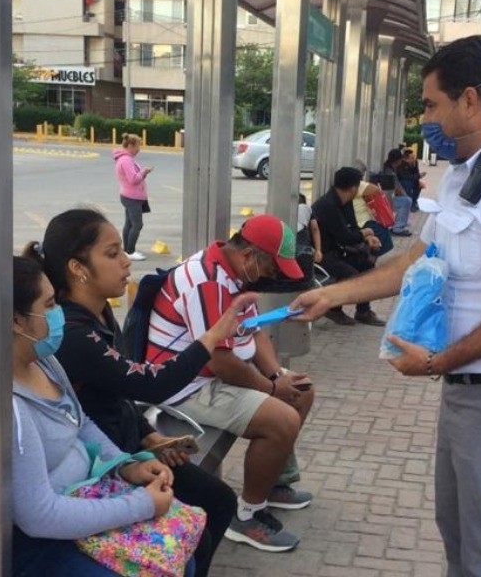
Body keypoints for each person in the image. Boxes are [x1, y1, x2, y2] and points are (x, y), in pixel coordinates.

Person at [292, 35, 481, 577]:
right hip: (470, 390)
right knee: (459, 535)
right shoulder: (467, 173)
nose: (424, 120)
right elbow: (411, 263)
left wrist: (438, 361)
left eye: (430, 104)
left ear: (469, 100)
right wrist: (329, 295)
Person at [26, 208, 259, 577]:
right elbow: (148, 382)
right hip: (102, 466)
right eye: (112, 253)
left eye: (122, 250)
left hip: (126, 449)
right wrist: (214, 335)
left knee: (215, 504)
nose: (125, 261)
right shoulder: (71, 334)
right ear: (78, 268)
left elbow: (118, 388)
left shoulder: (101, 313)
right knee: (208, 514)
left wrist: (151, 437)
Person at [9, 255, 192, 577]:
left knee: (184, 552)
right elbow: (39, 516)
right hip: (42, 541)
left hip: (88, 493)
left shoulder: (44, 362)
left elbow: (80, 422)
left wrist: (127, 466)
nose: (59, 313)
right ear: (16, 321)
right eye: (49, 305)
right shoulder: (11, 407)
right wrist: (142, 505)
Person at [149, 215, 315, 553]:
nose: (274, 275)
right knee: (282, 420)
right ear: (250, 255)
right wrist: (272, 390)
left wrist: (277, 377)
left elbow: (255, 333)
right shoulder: (207, 282)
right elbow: (220, 362)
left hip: (216, 373)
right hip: (186, 385)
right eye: (272, 267)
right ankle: (246, 515)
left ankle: (273, 482)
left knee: (301, 392)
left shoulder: (235, 274)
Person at [311, 167, 386, 327]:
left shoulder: (345, 201)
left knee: (367, 264)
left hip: (338, 250)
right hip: (322, 254)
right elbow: (345, 237)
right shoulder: (328, 205)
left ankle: (363, 312)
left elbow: (352, 229)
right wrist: (366, 232)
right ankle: (333, 309)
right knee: (351, 274)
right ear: (353, 188)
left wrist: (368, 238)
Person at [114, 133, 153, 261]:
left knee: (129, 224)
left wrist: (143, 173)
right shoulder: (126, 160)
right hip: (132, 197)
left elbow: (133, 177)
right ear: (130, 146)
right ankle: (130, 251)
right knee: (137, 225)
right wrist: (143, 171)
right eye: (137, 146)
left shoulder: (125, 159)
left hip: (129, 196)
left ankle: (127, 250)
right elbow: (133, 179)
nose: (139, 150)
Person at [378, 149, 414, 237]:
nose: (401, 161)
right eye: (401, 159)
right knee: (407, 201)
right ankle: (398, 228)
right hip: (387, 200)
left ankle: (398, 224)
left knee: (406, 199)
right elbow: (398, 189)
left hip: (386, 198)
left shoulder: (390, 169)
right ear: (397, 160)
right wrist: (406, 196)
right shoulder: (390, 172)